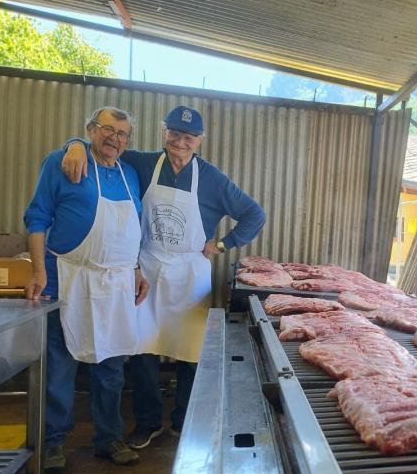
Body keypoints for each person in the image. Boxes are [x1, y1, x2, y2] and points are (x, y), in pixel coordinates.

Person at [61, 105, 266, 448]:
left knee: (190, 351)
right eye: (174, 133)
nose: (180, 142)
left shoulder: (212, 179)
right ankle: (148, 421)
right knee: (143, 348)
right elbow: (104, 149)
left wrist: (222, 244)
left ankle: (184, 420)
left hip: (190, 273)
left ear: (200, 140)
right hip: (148, 269)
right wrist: (75, 145)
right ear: (164, 132)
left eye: (189, 137)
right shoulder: (143, 164)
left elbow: (254, 214)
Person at [25, 107, 149, 471]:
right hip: (68, 277)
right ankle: (52, 442)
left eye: (122, 133)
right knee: (59, 366)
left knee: (111, 367)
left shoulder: (128, 174)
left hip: (116, 285)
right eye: (107, 129)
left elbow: (132, 228)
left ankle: (109, 438)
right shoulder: (63, 161)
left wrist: (136, 268)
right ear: (90, 130)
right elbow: (37, 217)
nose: (114, 138)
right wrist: (38, 271)